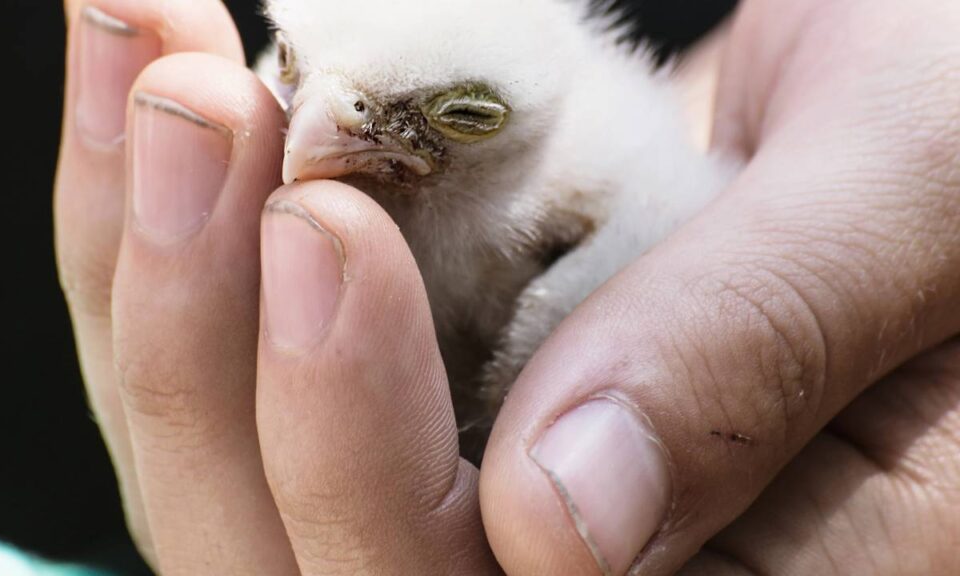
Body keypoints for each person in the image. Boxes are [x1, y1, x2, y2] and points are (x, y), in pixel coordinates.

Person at [54, 0, 960, 574]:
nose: (320, 127)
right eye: (292, 65)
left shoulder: (607, 213)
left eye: (464, 118)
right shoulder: (269, 122)